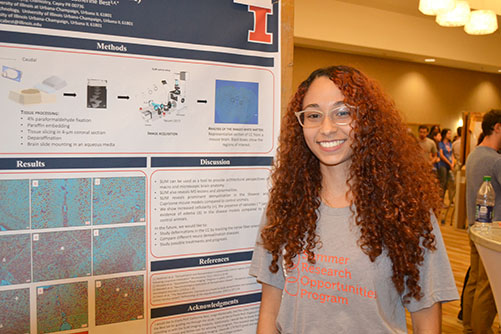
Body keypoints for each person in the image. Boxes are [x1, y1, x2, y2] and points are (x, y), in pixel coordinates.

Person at [249, 66, 459, 333]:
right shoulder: (284, 207)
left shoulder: (405, 210)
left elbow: (426, 319)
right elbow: (270, 311)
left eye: (343, 112)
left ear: (367, 120)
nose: (326, 128)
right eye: (313, 115)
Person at [463, 109, 501, 334]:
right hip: (493, 233)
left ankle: (469, 327)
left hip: (475, 228)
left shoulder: (475, 154)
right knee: (488, 289)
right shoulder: (495, 161)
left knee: (475, 282)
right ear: (497, 128)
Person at [438, 128, 455, 206]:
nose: (450, 135)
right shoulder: (441, 144)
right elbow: (441, 155)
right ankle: (440, 200)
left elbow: (452, 154)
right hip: (443, 165)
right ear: (444, 134)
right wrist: (449, 163)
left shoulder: (450, 144)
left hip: (449, 165)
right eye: (448, 133)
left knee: (450, 182)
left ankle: (449, 200)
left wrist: (452, 163)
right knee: (443, 183)